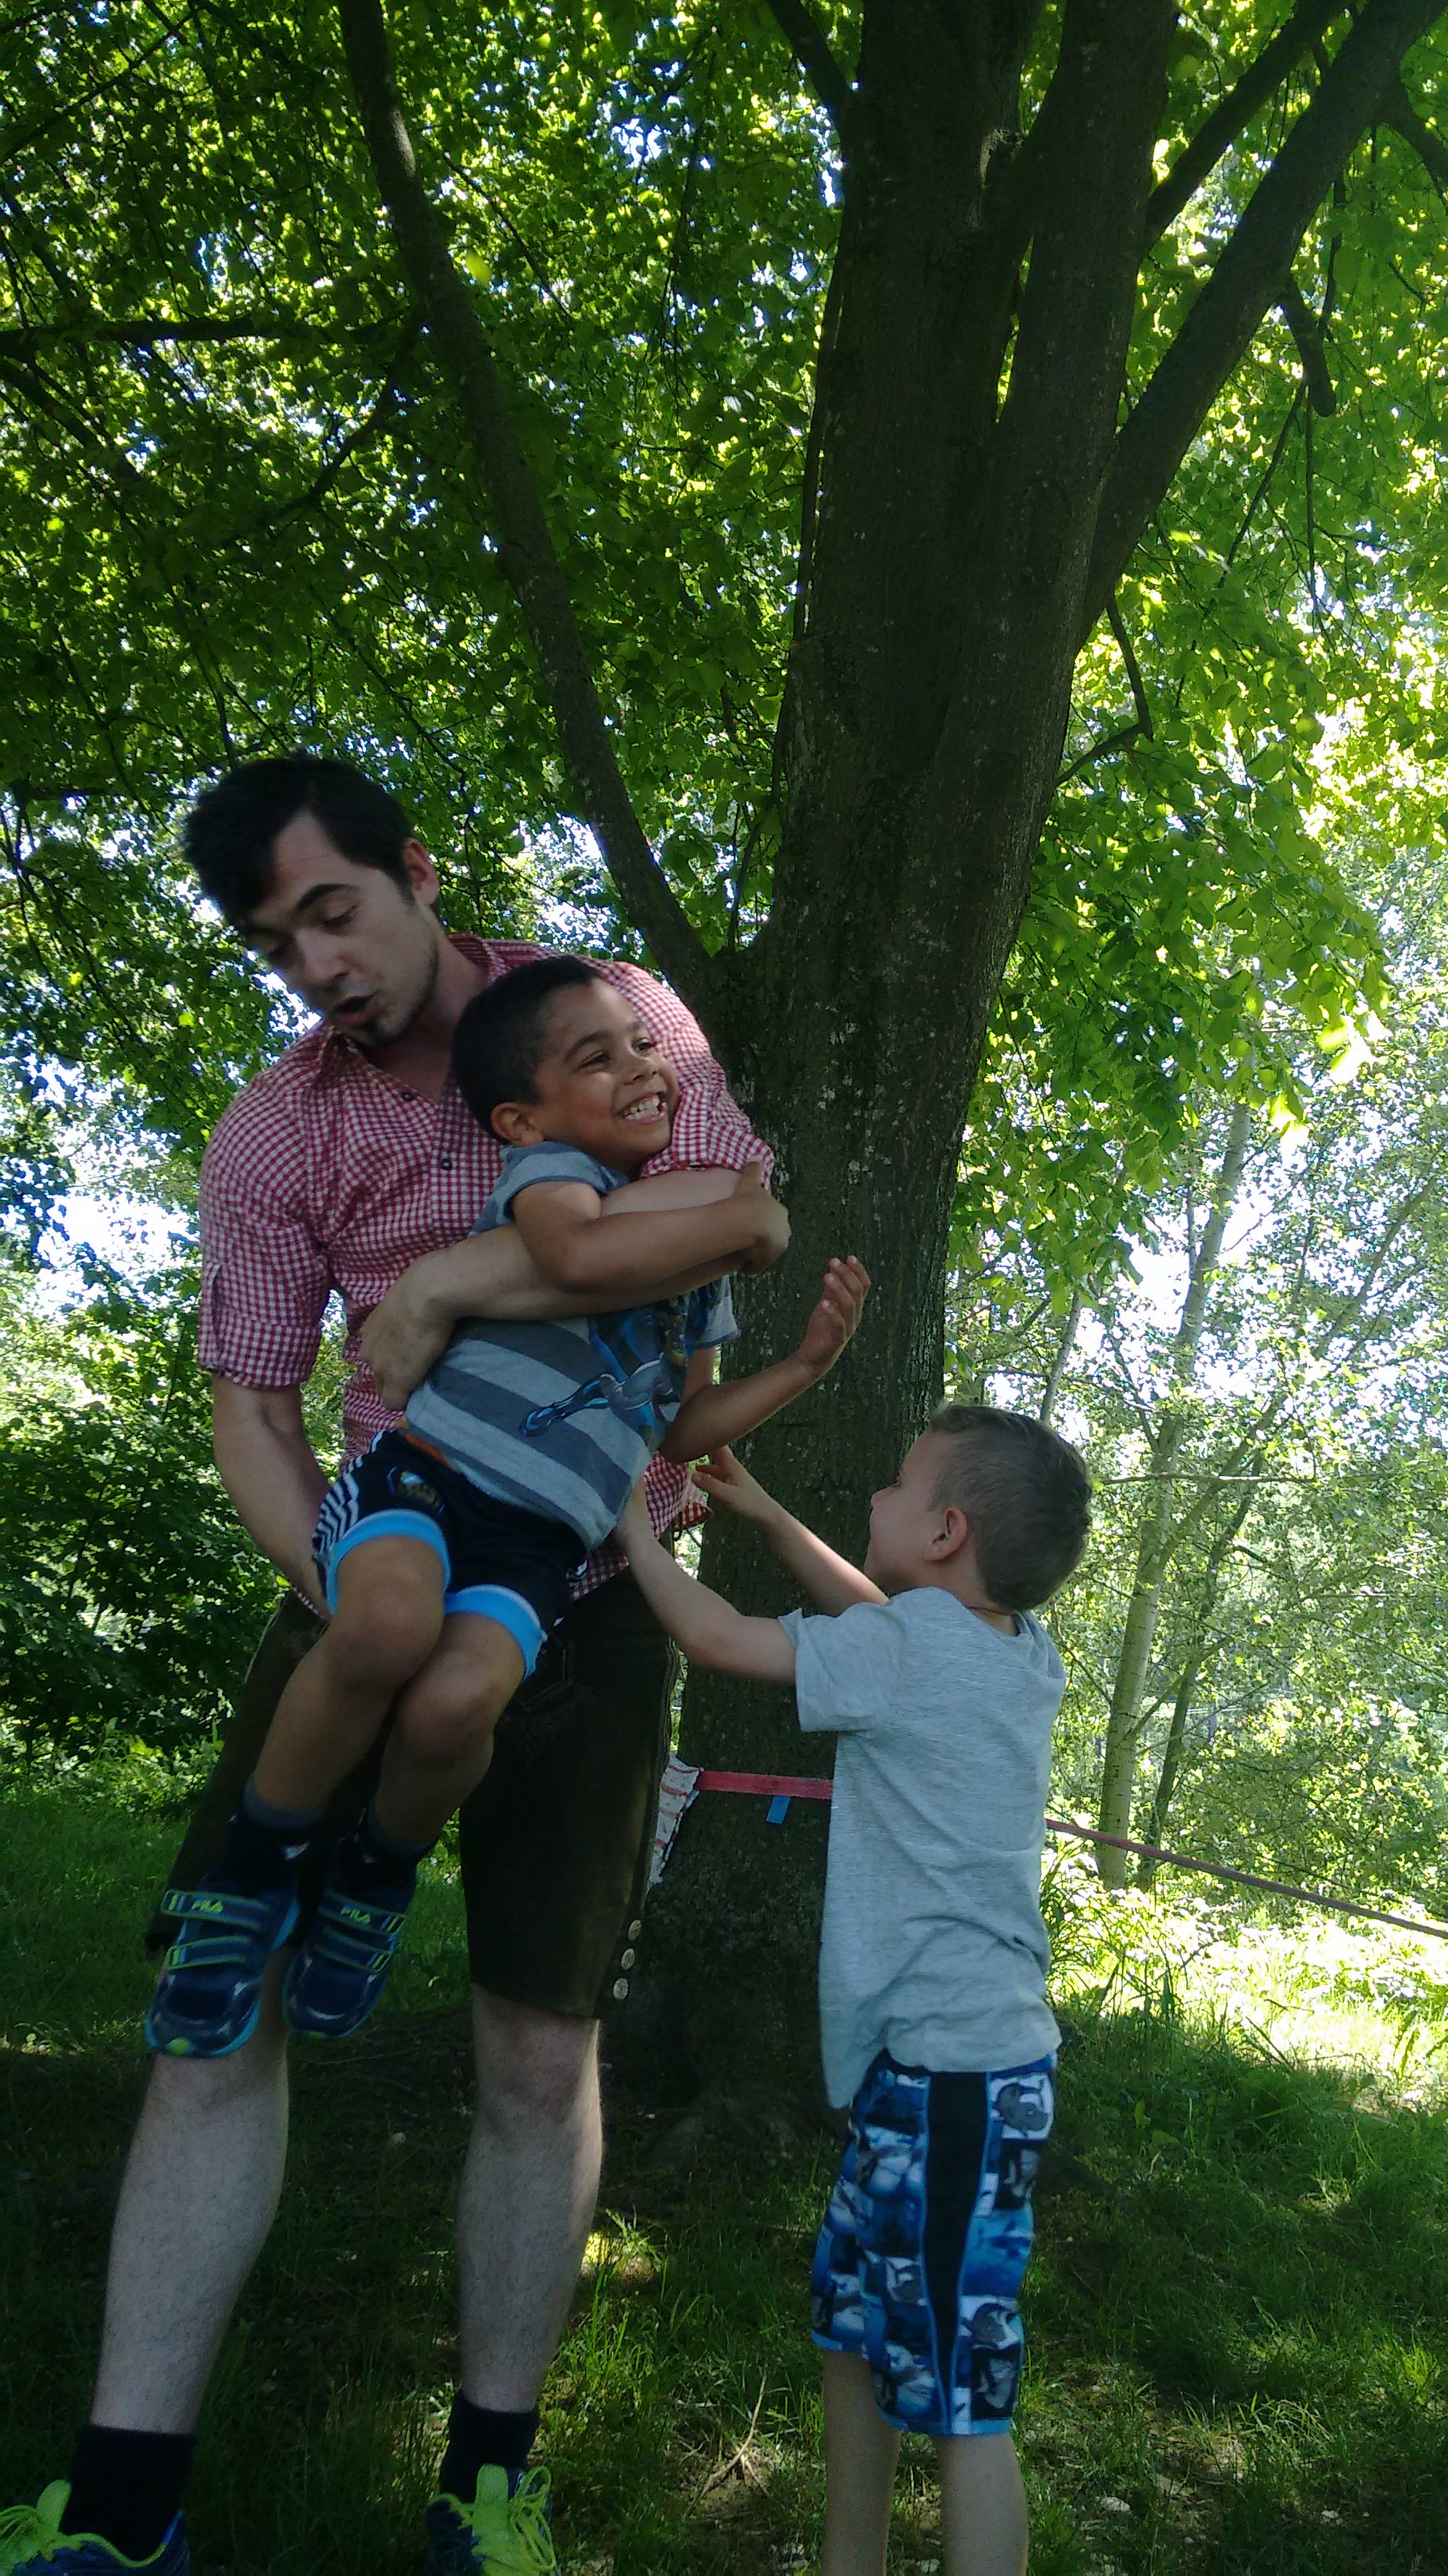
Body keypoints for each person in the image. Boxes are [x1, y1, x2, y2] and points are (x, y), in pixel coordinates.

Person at [2, 755, 787, 2576]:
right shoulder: (275, 1136)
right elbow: (251, 1404)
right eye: (277, 945)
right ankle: (119, 2516)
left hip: (593, 1591)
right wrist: (354, 1578)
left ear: (416, 872)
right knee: (226, 2004)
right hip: (383, 1555)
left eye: (332, 912)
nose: (314, 966)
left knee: (536, 2037)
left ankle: (486, 2494)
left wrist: (443, 1290)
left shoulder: (614, 1023)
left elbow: (736, 1218)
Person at [145, 952, 868, 2061]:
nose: (645, 1066)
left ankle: (377, 1875)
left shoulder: (698, 1274)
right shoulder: (553, 1182)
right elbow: (592, 1251)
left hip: (540, 1538)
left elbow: (680, 1431)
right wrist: (751, 1219)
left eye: (643, 1045)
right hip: (429, 1478)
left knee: (458, 1704)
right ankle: (252, 1873)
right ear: (523, 1118)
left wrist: (806, 1367)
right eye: (602, 1055)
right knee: (381, 1629)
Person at [615, 1407, 1092, 2576]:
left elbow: (724, 1640)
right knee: (851, 2326)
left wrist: (632, 1534)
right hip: (954, 2071)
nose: (871, 1500)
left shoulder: (909, 1653)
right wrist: (772, 1516)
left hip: (954, 2080)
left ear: (943, 1531)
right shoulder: (1015, 1651)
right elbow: (884, 1622)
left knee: (964, 2399)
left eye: (894, 1484)